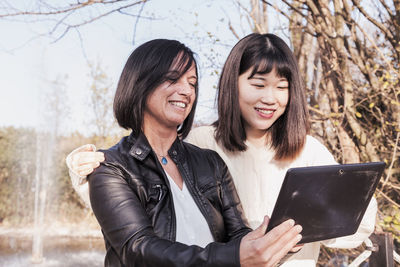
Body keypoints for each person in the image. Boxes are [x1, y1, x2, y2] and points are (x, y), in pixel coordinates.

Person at [67, 34, 377, 266]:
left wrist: (286, 237)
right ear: (234, 84)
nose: (270, 98)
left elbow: (359, 219)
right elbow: (130, 209)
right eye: (258, 84)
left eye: (282, 86)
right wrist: (82, 170)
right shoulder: (202, 142)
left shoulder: (305, 151)